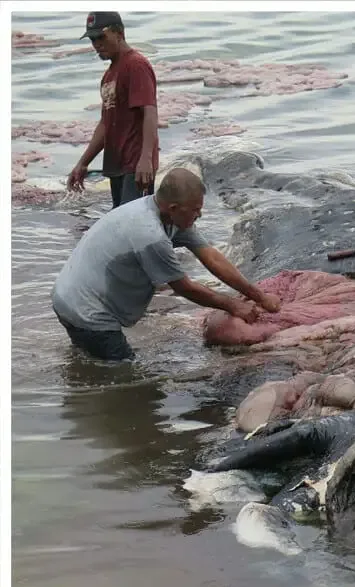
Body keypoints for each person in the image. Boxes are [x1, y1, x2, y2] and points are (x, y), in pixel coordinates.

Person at [51, 167, 281, 361]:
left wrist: (258, 296)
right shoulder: (151, 236)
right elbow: (184, 287)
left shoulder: (162, 213)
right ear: (173, 208)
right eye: (195, 210)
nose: (199, 215)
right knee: (128, 378)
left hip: (67, 297)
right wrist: (233, 305)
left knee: (87, 361)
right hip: (88, 311)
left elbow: (212, 257)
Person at [66, 11, 159, 208]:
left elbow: (149, 112)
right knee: (120, 222)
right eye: (92, 39)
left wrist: (146, 159)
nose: (96, 44)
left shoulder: (136, 65)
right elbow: (105, 124)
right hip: (116, 164)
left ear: (119, 33)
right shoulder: (109, 75)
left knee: (133, 226)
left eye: (101, 37)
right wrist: (83, 162)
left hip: (136, 165)